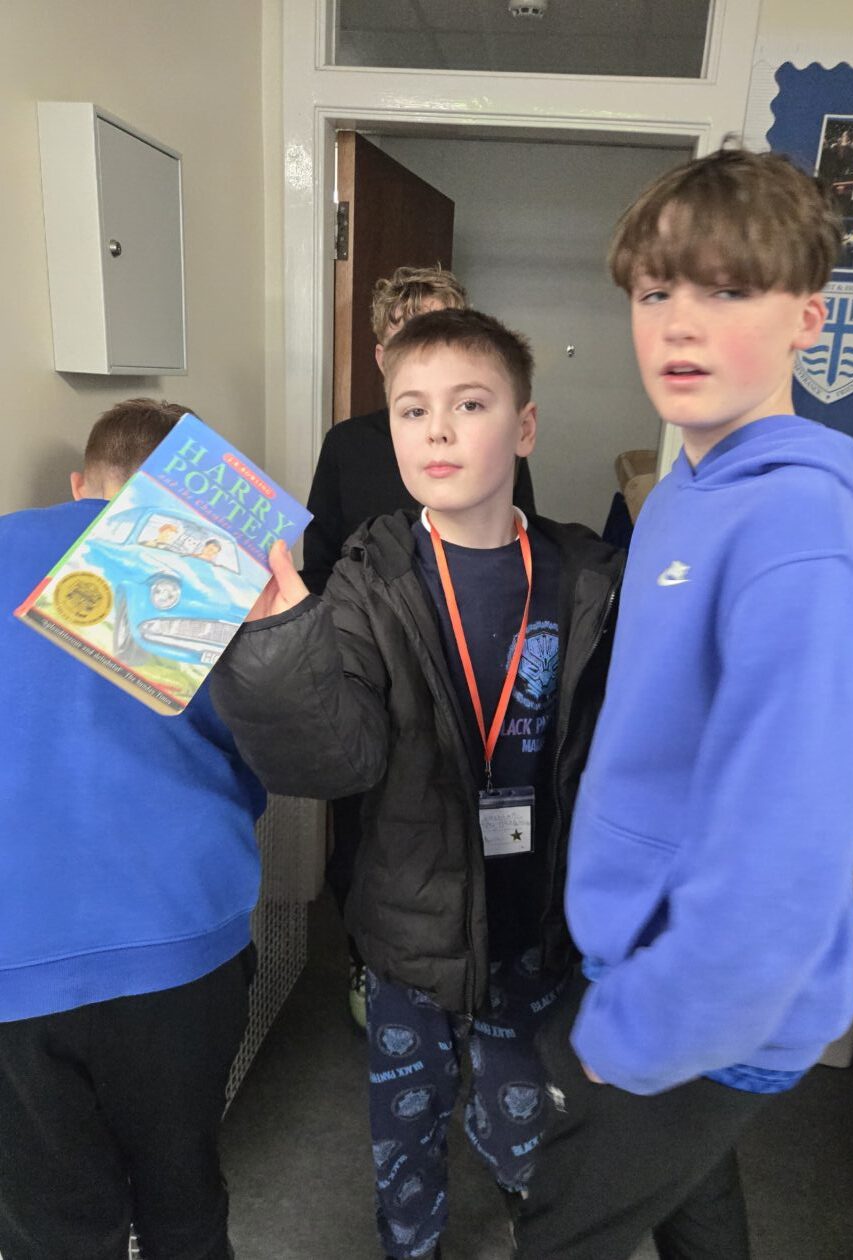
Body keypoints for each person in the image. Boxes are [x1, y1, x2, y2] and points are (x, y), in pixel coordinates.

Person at [514, 147, 853, 1260]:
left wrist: (637, 1029)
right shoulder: (684, 488)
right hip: (654, 950)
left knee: (560, 1230)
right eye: (656, 293)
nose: (680, 326)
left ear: (808, 318)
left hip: (712, 989)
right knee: (692, 1203)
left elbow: (784, 851)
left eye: (729, 290)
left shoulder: (801, 538)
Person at [212, 309, 622, 1260]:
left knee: (527, 1123)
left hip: (538, 921)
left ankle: (532, 1217)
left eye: (469, 405)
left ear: (523, 427)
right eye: (411, 409)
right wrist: (278, 648)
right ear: (389, 430)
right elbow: (334, 761)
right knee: (405, 1130)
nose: (437, 430)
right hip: (409, 924)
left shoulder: (589, 578)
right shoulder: (369, 580)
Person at [0, 398, 265, 1260]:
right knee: (182, 1202)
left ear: (81, 484)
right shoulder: (206, 572)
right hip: (174, 940)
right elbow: (273, 753)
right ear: (194, 497)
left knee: (51, 1229)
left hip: (14, 956)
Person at [301, 264, 536, 1030]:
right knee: (368, 821)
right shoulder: (348, 445)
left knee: (465, 811)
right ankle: (369, 959)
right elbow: (321, 560)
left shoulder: (490, 437)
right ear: (381, 354)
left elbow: (520, 544)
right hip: (377, 662)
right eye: (411, 334)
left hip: (472, 663)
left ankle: (481, 958)